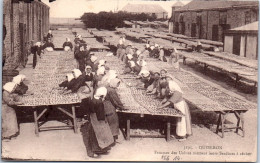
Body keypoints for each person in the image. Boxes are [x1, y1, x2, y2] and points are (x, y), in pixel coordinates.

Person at [80, 87, 114, 158]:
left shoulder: (93, 99)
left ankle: (100, 149)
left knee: (96, 135)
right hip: (97, 120)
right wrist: (104, 119)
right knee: (98, 135)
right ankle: (96, 150)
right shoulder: (99, 102)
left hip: (93, 118)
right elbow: (100, 114)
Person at [104, 78, 127, 142]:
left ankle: (110, 137)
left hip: (105, 105)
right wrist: (122, 106)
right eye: (117, 84)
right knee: (113, 121)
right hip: (109, 106)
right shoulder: (111, 90)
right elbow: (115, 100)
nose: (118, 85)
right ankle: (113, 138)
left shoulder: (108, 88)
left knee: (109, 121)